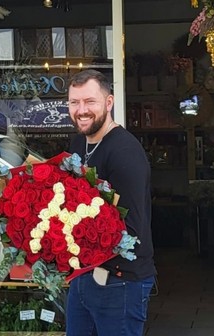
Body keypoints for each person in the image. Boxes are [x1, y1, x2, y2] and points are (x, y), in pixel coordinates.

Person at [66, 69, 156, 336]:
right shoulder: (78, 143)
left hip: (120, 282)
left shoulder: (124, 152)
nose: (81, 110)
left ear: (108, 102)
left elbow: (131, 231)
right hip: (84, 275)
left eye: (90, 101)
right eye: (74, 102)